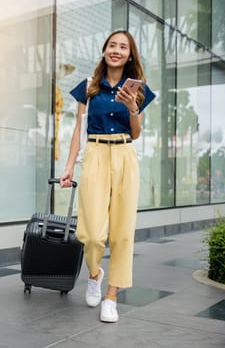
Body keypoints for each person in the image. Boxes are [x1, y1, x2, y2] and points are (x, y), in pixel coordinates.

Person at [59, 30, 156, 323]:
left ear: (130, 55)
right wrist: (69, 166)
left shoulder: (138, 89)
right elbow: (79, 129)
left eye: (123, 47)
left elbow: (136, 133)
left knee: (123, 232)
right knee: (90, 233)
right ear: (104, 51)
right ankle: (94, 273)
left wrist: (132, 108)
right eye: (112, 45)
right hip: (96, 154)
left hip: (125, 154)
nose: (116, 50)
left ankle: (111, 297)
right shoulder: (88, 87)